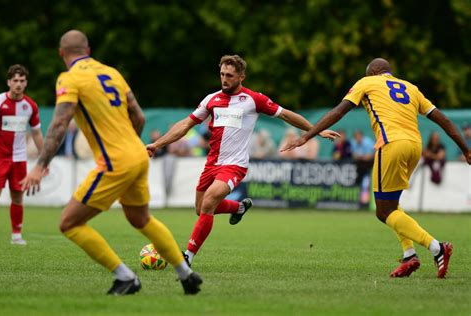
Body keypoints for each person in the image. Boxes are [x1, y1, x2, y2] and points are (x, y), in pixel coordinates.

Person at [21, 30, 202, 295]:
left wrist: (39, 165)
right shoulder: (112, 73)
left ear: (61, 54)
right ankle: (186, 274)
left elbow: (60, 123)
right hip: (138, 155)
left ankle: (125, 277)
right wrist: (131, 146)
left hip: (115, 161)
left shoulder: (69, 78)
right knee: (141, 218)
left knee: (69, 223)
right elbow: (138, 116)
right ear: (89, 49)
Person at [281, 58, 471, 279]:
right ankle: (409, 255)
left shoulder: (366, 82)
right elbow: (444, 120)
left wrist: (307, 135)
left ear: (371, 73)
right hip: (415, 146)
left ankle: (437, 247)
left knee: (383, 212)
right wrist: (465, 149)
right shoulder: (411, 88)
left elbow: (339, 111)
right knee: (393, 203)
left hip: (391, 144)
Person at [146, 55, 339, 266]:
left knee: (209, 202)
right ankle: (238, 208)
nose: (224, 79)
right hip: (212, 163)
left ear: (241, 77)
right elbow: (185, 125)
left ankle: (187, 257)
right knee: (200, 209)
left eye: (229, 75)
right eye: (222, 74)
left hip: (235, 165)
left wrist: (316, 131)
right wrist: (157, 145)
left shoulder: (253, 100)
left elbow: (286, 115)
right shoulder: (211, 100)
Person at [0, 64, 43, 245]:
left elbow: (37, 134)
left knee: (17, 196)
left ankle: (16, 235)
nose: (18, 84)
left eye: (21, 81)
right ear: (8, 82)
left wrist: (44, 160)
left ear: (26, 83)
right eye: (15, 80)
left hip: (19, 159)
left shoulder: (30, 106)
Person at [351, 130, 375, 206]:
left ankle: (365, 202)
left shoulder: (368, 142)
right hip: (360, 166)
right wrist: (362, 157)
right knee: (361, 183)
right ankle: (362, 201)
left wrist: (361, 157)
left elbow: (370, 156)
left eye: (358, 137)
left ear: (362, 136)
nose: (357, 139)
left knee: (366, 183)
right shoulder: (354, 143)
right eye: (356, 137)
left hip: (370, 165)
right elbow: (354, 155)